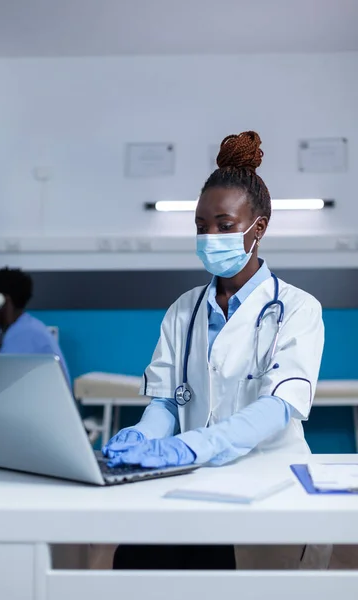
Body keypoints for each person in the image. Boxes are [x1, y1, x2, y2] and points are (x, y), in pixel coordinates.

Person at [103, 131, 327, 570]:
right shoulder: (183, 309)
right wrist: (146, 436)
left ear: (257, 229)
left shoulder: (298, 308)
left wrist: (195, 445)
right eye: (201, 226)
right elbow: (167, 399)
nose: (210, 236)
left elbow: (280, 405)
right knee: (138, 567)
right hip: (192, 483)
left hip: (270, 482)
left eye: (224, 226)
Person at [0, 268, 71, 453]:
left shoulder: (24, 334)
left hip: (36, 432)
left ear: (3, 301)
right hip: (37, 423)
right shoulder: (25, 327)